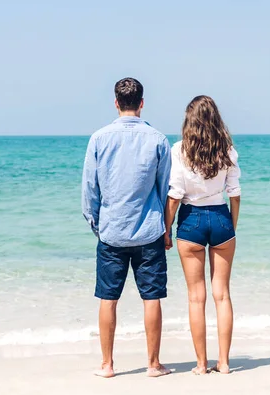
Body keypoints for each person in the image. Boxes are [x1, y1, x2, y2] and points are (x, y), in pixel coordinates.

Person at [82, 77, 172, 378]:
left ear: (116, 103)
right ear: (142, 103)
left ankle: (107, 365)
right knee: (151, 297)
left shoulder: (98, 138)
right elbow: (163, 189)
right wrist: (161, 224)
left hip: (112, 231)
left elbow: (89, 192)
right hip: (148, 230)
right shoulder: (158, 140)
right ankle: (154, 363)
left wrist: (98, 224)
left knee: (108, 298)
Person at [164, 95, 241, 375]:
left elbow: (174, 196)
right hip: (221, 218)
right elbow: (234, 194)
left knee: (197, 297)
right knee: (222, 295)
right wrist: (231, 226)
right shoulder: (227, 150)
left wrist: (167, 230)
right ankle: (224, 363)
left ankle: (200, 364)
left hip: (191, 221)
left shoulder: (179, 150)